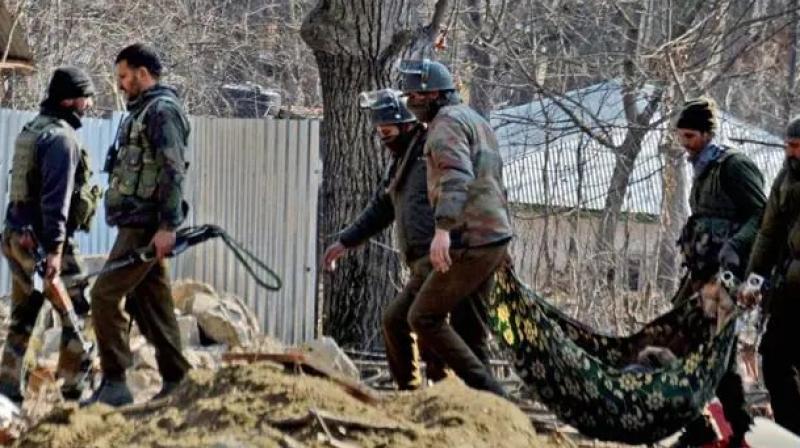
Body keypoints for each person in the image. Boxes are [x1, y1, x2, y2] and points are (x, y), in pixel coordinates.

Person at [323, 89, 490, 389]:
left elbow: (459, 186)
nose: (383, 138)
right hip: (421, 261)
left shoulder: (431, 151)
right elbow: (383, 207)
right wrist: (346, 241)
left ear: (407, 124)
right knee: (403, 321)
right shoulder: (402, 160)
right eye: (378, 132)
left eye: (387, 131)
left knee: (417, 321)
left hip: (442, 257)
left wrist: (446, 235)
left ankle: (442, 392)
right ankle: (412, 393)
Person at [85, 43, 191, 407]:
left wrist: (168, 226)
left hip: (146, 227)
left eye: (124, 76)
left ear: (143, 73)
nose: (120, 84)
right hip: (138, 222)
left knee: (104, 295)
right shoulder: (142, 111)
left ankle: (115, 383)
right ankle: (178, 379)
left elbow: (173, 170)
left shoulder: (162, 111)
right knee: (152, 304)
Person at [399, 59, 512, 397]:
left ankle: (491, 394)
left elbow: (456, 176)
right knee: (469, 330)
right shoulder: (473, 119)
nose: (410, 103)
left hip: (469, 239)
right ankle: (486, 409)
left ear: (432, 93)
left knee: (423, 317)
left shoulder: (445, 125)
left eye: (414, 95)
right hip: (494, 237)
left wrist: (443, 230)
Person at [0, 66, 100, 404]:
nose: (88, 105)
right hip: (44, 243)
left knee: (24, 315)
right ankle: (73, 390)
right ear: (70, 100)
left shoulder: (32, 130)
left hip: (17, 237)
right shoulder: (61, 139)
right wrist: (55, 251)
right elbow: (55, 202)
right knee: (80, 310)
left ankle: (8, 392)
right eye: (86, 98)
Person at [671, 97, 765, 447]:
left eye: (691, 136)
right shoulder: (702, 168)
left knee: (717, 352)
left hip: (726, 275)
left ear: (708, 134)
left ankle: (734, 430)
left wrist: (735, 246)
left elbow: (762, 215)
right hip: (699, 271)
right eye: (681, 136)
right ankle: (705, 426)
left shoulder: (734, 166)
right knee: (679, 339)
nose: (685, 144)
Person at [738, 115, 800, 437]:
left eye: (797, 147)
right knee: (774, 359)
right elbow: (768, 234)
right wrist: (753, 281)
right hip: (788, 291)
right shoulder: (784, 180)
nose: (791, 153)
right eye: (788, 146)